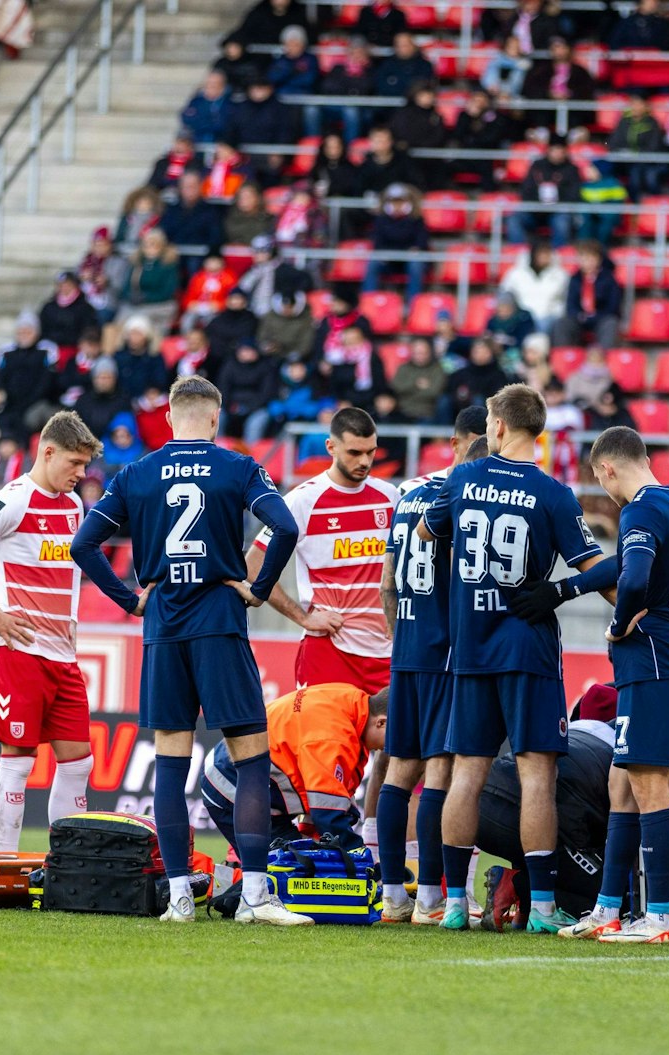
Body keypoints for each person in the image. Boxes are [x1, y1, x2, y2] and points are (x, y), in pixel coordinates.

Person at [70, 376, 307, 924]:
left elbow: (85, 544)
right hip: (220, 622)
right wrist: (260, 588)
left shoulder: (136, 474)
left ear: (171, 417)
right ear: (215, 418)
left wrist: (130, 600)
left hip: (164, 628)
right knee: (250, 757)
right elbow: (285, 526)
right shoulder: (239, 467)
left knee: (171, 763)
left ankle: (179, 895)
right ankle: (253, 896)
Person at [416, 385, 607, 931]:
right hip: (528, 650)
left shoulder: (462, 478)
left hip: (471, 648)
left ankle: (453, 904)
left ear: (496, 426)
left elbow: (430, 529)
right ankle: (543, 907)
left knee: (466, 774)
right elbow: (593, 565)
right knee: (538, 777)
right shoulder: (554, 493)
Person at [533, 426, 669, 945]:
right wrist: (562, 589)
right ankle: (608, 909)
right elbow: (624, 567)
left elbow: (630, 579)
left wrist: (617, 623)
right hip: (666, 658)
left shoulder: (641, 510)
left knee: (649, 788)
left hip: (652, 660)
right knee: (621, 786)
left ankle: (661, 916)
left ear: (606, 468)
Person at [0, 413, 102, 853]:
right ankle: (5, 860)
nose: (82, 474)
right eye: (75, 463)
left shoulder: (73, 506)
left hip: (63, 658)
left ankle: (68, 863)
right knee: (18, 762)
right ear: (47, 452)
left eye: (85, 465)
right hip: (18, 652)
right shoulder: (12, 499)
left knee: (79, 764)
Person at [373, 411, 487, 923]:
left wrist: (402, 641)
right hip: (445, 651)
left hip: (408, 649)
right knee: (439, 770)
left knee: (399, 768)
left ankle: (393, 893)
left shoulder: (408, 494)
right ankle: (432, 897)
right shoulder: (466, 495)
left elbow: (386, 584)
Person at [246, 407, 398, 693]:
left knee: (391, 740)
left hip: (386, 655)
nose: (365, 461)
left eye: (371, 452)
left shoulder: (390, 497)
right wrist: (303, 618)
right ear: (331, 446)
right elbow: (253, 567)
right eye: (354, 452)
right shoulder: (302, 501)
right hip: (330, 652)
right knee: (325, 739)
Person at [200, 682, 388, 854]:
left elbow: (328, 805)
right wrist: (360, 856)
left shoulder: (349, 701)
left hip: (238, 774)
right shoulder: (333, 737)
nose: (387, 749)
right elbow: (326, 813)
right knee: (285, 873)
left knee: (300, 866)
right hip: (231, 787)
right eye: (391, 739)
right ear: (380, 722)